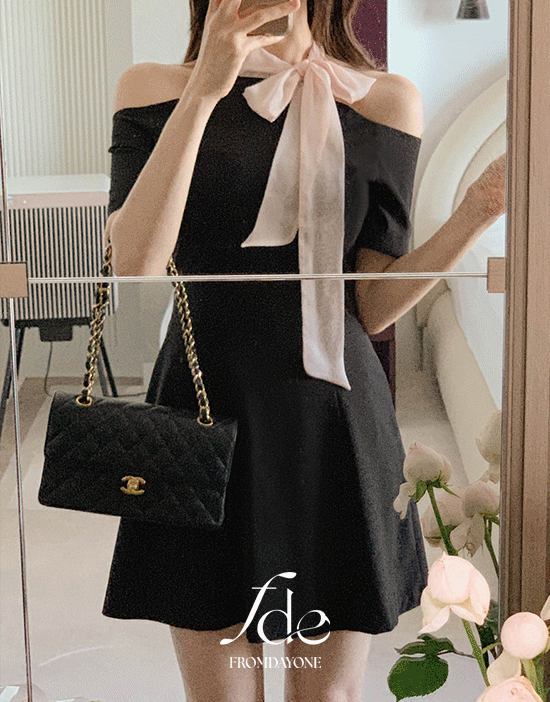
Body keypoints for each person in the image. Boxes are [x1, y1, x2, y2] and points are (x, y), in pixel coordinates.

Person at [101, 1, 507, 700]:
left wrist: (475, 211)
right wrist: (205, 91)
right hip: (204, 410)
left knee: (327, 696)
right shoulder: (153, 87)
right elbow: (136, 264)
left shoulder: (384, 100)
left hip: (335, 425)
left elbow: (372, 303)